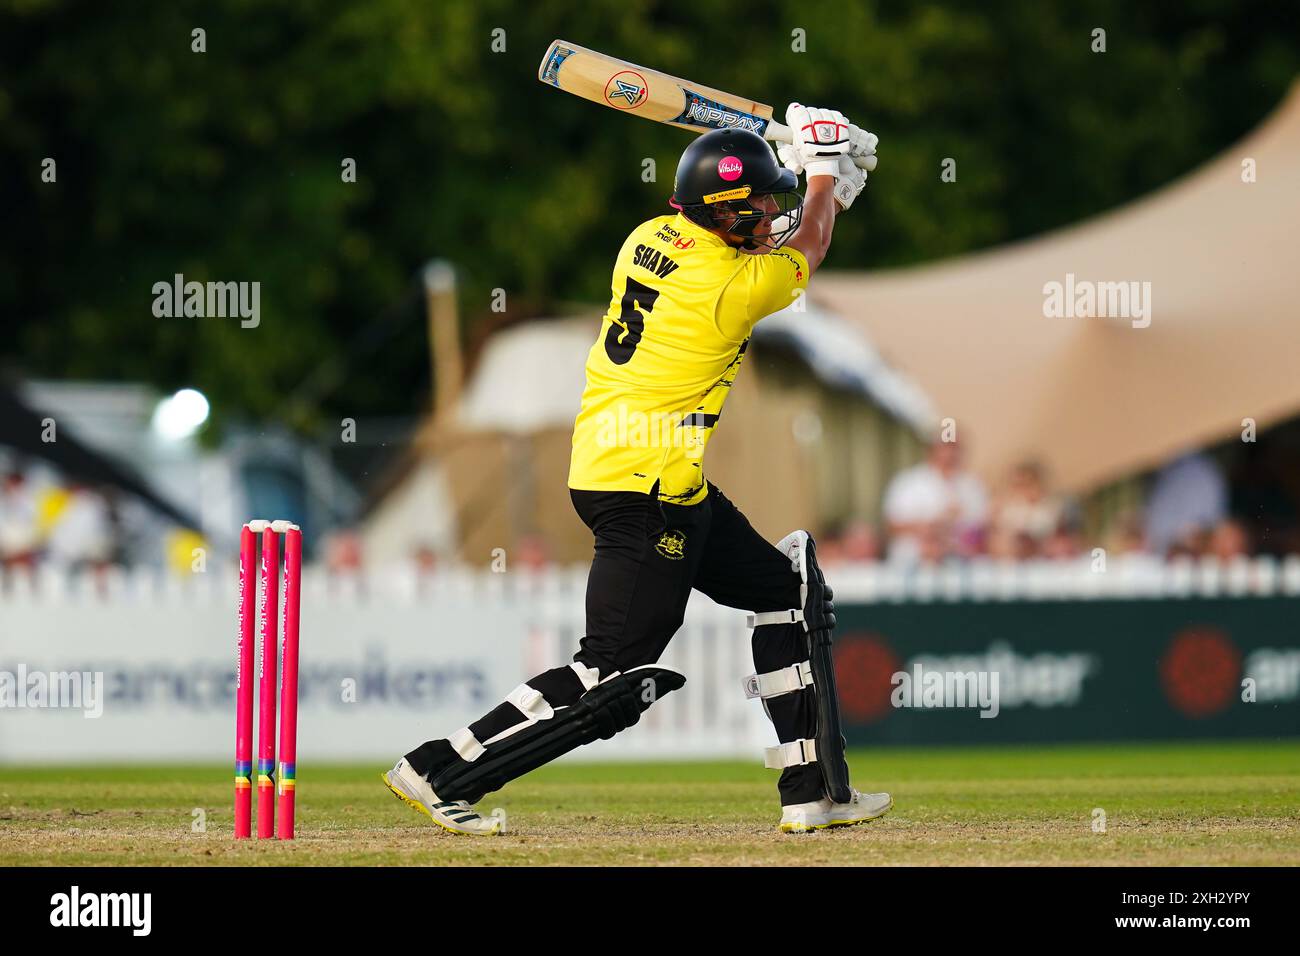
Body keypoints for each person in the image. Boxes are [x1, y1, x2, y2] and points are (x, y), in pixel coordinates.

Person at [385, 105, 892, 835]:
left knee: (786, 592)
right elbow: (803, 248)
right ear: (726, 216)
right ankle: (439, 770)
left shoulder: (652, 237)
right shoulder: (730, 289)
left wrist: (817, 184)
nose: (769, 212)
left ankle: (813, 791)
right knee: (609, 676)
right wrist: (821, 180)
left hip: (635, 469)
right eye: (760, 203)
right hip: (647, 490)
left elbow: (775, 237)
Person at [882, 437, 988, 564]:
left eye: (954, 447)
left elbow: (982, 528)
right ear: (932, 449)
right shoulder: (909, 482)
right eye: (945, 447)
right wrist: (929, 527)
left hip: (961, 563)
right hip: (912, 561)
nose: (950, 453)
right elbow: (891, 525)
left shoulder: (971, 485)